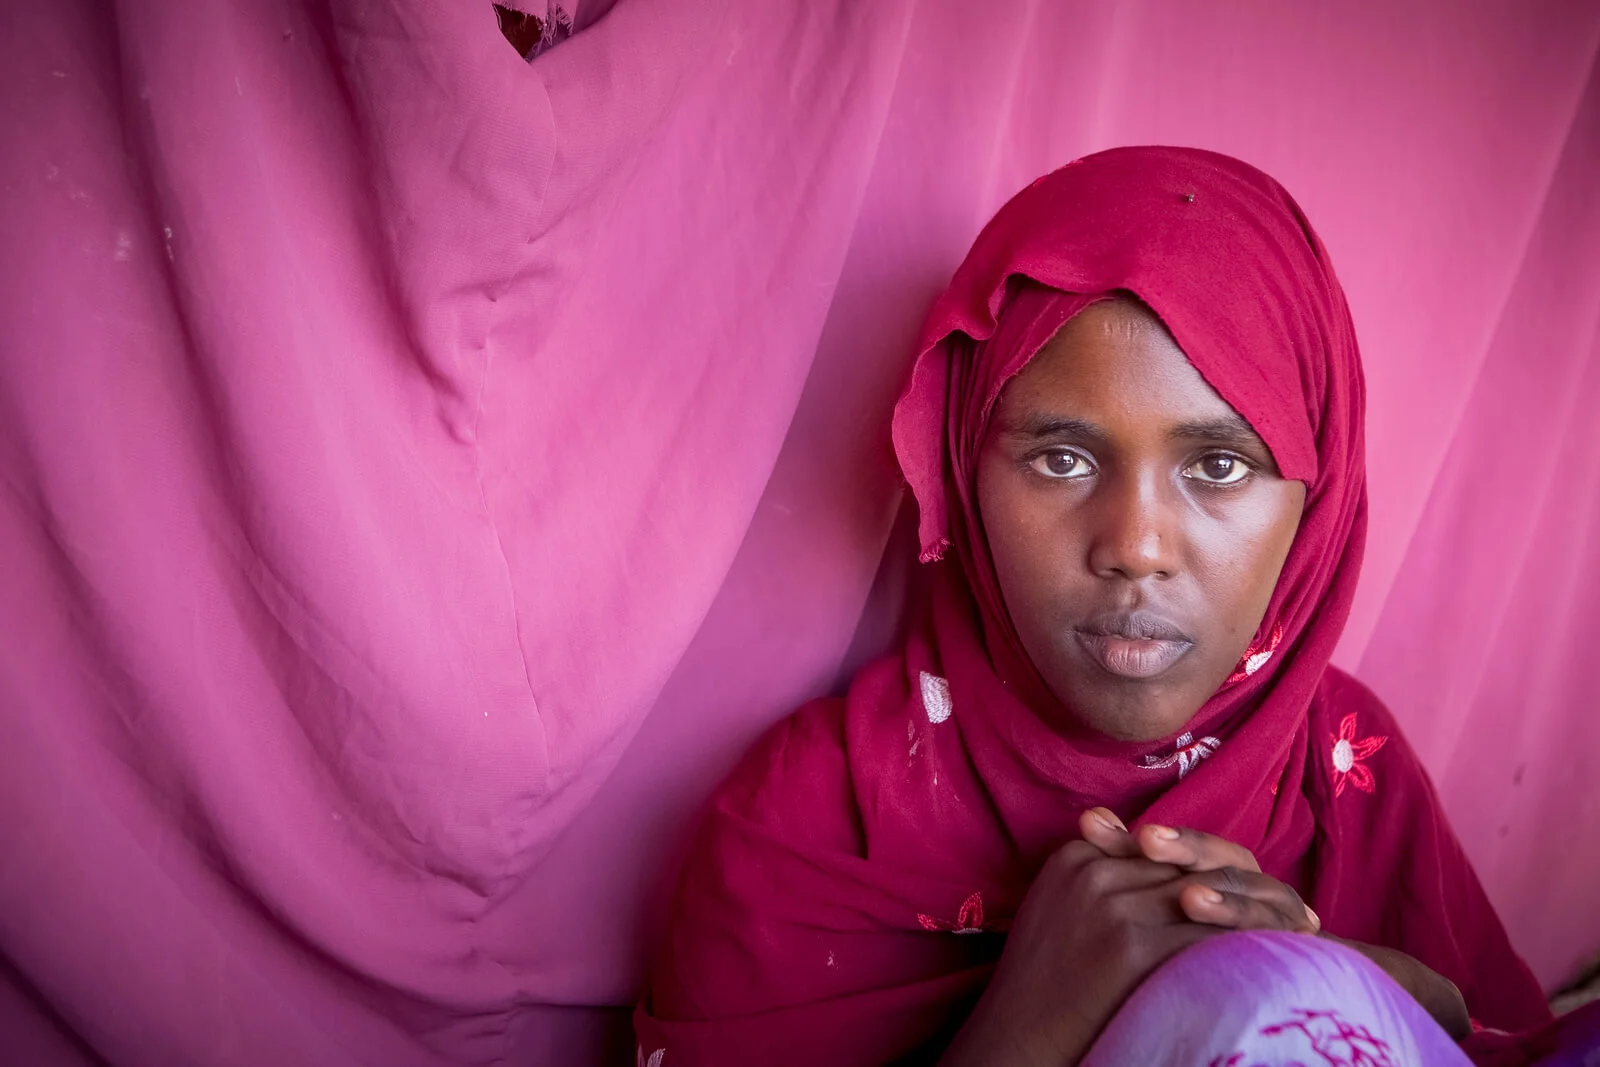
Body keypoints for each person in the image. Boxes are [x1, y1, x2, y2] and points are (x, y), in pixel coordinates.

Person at [632, 147, 1591, 1065]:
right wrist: (1019, 1034)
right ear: (965, 474)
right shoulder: (812, 824)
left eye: (1218, 466)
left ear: (1318, 496)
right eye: (1062, 458)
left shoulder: (1348, 774)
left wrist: (1402, 1003)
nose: (1134, 546)